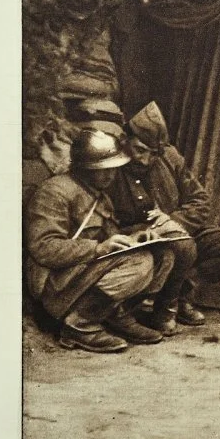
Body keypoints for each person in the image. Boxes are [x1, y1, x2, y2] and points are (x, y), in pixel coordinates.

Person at [110, 101, 220, 333]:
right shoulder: (112, 165)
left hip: (179, 232)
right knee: (182, 245)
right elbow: (106, 220)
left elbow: (200, 200)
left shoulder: (170, 157)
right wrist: (145, 230)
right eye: (139, 150)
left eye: (153, 154)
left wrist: (172, 221)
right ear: (125, 140)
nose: (145, 160)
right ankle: (161, 311)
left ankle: (179, 295)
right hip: (139, 243)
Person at [26, 129, 173, 352]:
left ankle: (114, 314)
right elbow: (43, 248)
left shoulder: (98, 193)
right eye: (103, 169)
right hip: (56, 283)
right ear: (83, 167)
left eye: (113, 168)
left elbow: (108, 238)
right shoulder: (55, 191)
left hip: (82, 272)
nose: (110, 175)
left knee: (164, 255)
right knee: (139, 264)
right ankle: (79, 325)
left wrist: (136, 236)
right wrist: (97, 248)